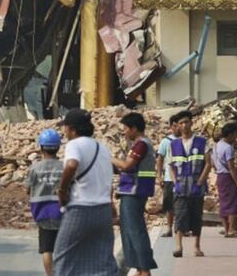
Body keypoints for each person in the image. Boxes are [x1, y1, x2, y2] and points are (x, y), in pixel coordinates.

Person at [54, 109, 118, 276]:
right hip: (103, 210)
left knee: (64, 257)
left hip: (80, 209)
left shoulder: (74, 145)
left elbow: (71, 165)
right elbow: (107, 180)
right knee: (102, 260)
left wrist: (62, 190)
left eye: (65, 127)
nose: (64, 131)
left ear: (73, 129)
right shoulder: (102, 148)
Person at [111, 112, 158, 276]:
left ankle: (145, 269)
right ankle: (138, 268)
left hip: (135, 192)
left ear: (134, 128)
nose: (124, 132)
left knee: (136, 231)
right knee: (129, 231)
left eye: (125, 128)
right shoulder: (138, 145)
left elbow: (127, 166)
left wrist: (110, 158)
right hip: (130, 191)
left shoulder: (141, 144)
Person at [169, 110, 212, 259]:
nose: (184, 125)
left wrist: (200, 182)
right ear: (178, 126)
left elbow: (208, 164)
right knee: (180, 215)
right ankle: (179, 247)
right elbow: (171, 165)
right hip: (180, 186)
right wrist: (175, 183)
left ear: (191, 123)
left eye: (187, 122)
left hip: (196, 185)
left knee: (196, 216)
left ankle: (196, 246)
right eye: (181, 123)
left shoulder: (201, 142)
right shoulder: (173, 144)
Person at [26, 129, 64, 276]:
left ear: (41, 147)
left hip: (42, 213)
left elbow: (28, 189)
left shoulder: (35, 168)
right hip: (62, 212)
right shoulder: (64, 166)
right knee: (62, 248)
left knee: (47, 249)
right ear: (58, 147)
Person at [214, 122, 237, 238]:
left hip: (220, 176)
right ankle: (232, 228)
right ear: (231, 134)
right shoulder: (228, 148)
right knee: (233, 202)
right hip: (228, 177)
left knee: (223, 202)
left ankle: (226, 229)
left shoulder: (216, 145)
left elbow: (214, 163)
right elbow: (231, 167)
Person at [154, 115, 180, 237]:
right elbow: (160, 159)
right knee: (169, 205)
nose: (177, 128)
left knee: (182, 204)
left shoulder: (186, 140)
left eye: (179, 125)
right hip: (169, 178)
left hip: (183, 177)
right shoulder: (166, 142)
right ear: (171, 127)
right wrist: (160, 176)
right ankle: (169, 228)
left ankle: (182, 228)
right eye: (175, 126)